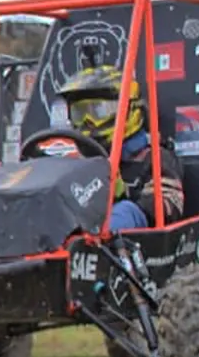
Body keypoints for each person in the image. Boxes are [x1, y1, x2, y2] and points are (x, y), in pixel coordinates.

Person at [55, 62, 185, 232]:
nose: (88, 121)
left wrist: (122, 196)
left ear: (130, 109)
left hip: (138, 246)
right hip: (78, 242)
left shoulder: (154, 158)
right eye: (80, 113)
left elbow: (169, 205)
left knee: (126, 211)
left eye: (99, 111)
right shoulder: (79, 164)